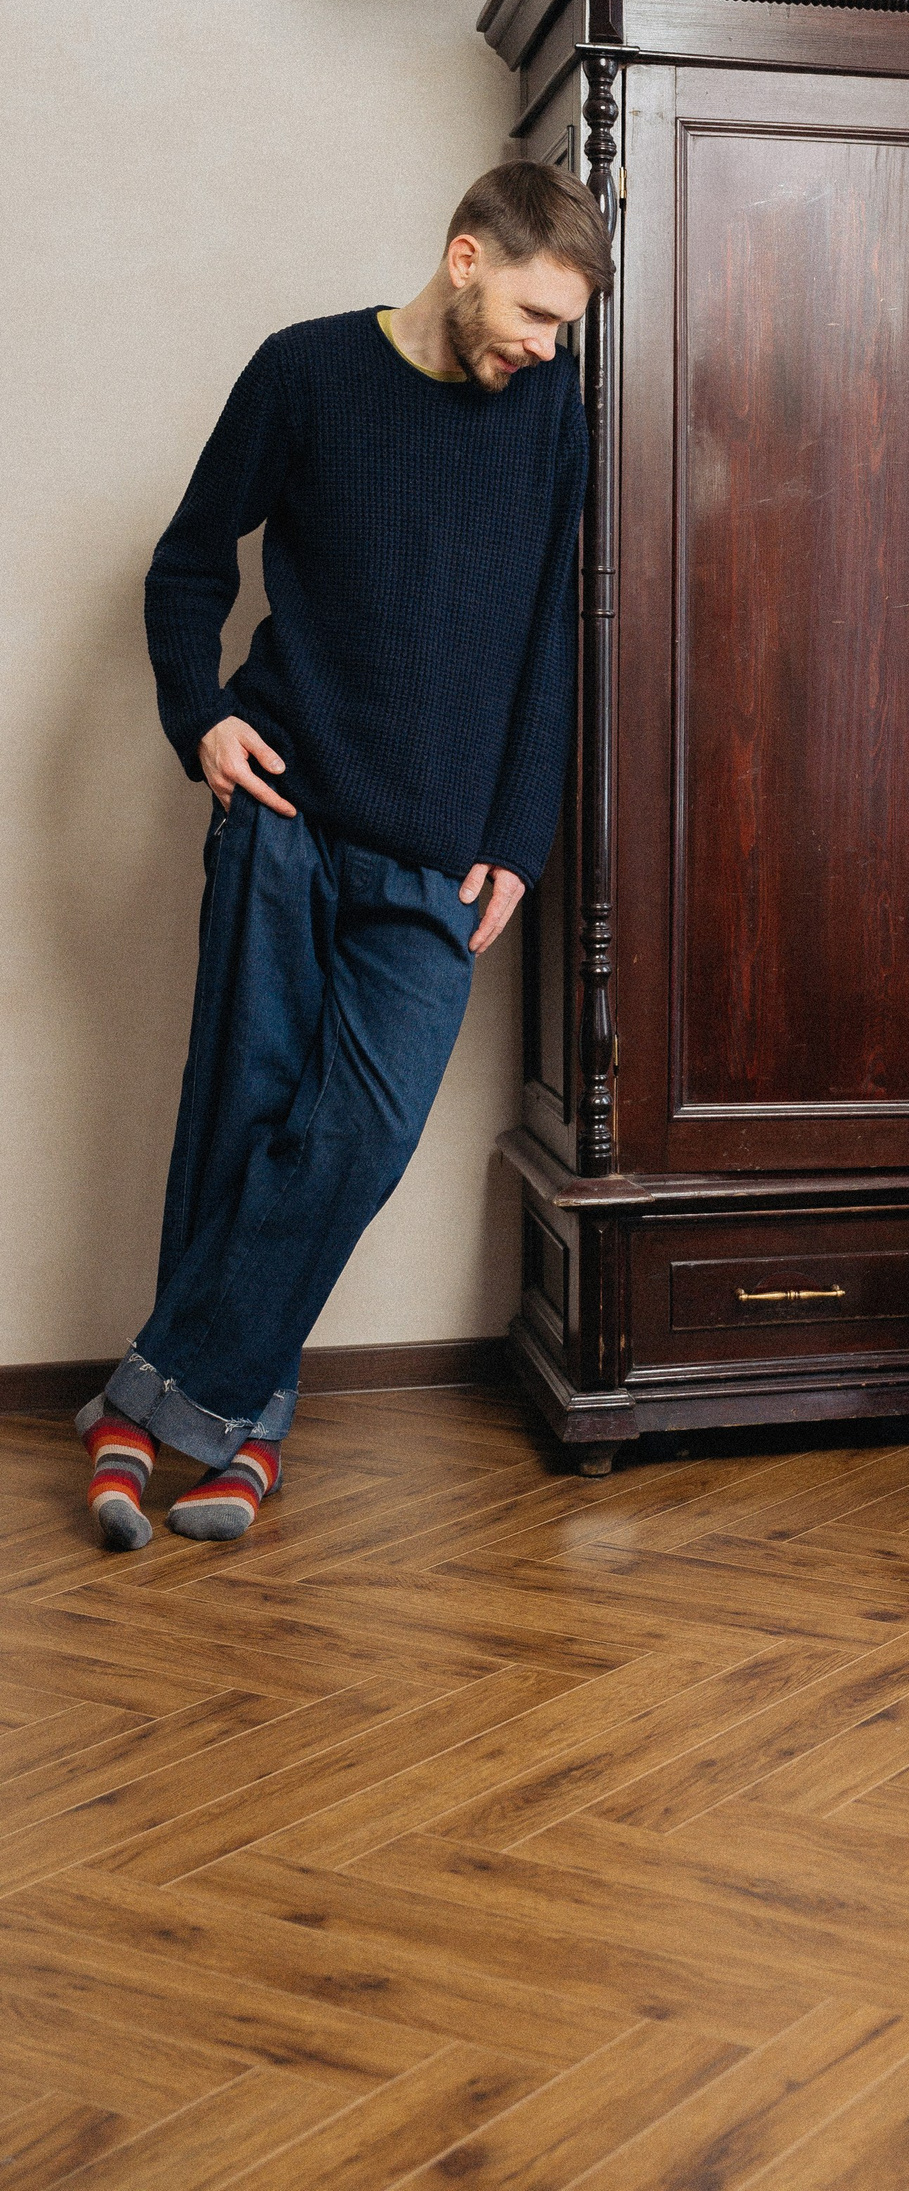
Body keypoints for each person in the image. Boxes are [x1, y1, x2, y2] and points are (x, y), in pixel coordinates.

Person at [77, 164, 606, 1551]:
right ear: (465, 257)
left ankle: (150, 1403)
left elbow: (551, 631)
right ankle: (243, 1431)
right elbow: (187, 562)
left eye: (564, 327)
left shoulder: (550, 409)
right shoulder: (304, 372)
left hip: (439, 856)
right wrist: (200, 718)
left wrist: (519, 837)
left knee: (358, 1134)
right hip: (286, 816)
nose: (547, 346)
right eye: (537, 314)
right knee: (242, 1118)